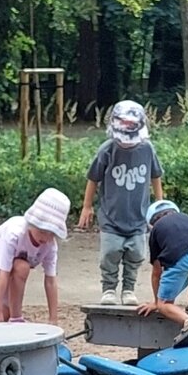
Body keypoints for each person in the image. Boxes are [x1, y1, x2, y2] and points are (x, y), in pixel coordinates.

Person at [76, 99, 165, 308]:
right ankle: (108, 288)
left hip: (139, 217)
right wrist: (87, 206)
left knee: (136, 254)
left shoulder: (147, 149)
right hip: (111, 217)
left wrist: (160, 203)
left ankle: (128, 289)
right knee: (110, 254)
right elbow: (93, 178)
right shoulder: (107, 150)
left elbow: (156, 175)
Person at [0, 188, 69, 324]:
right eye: (42, 231)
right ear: (32, 224)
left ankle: (9, 315)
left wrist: (53, 319)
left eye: (51, 234)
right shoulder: (15, 234)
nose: (45, 238)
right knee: (22, 267)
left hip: (14, 264)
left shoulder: (50, 245)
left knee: (5, 314)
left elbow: (50, 281)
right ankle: (16, 317)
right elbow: (3, 273)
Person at [138, 199, 188, 347]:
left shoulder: (156, 230)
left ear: (151, 222)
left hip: (180, 258)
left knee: (164, 305)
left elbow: (156, 272)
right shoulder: (185, 217)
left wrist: (157, 302)